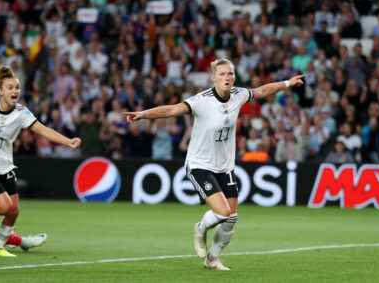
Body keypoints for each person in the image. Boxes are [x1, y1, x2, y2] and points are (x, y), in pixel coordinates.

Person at [124, 58, 303, 271]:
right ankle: (200, 229)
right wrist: (143, 114)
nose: (227, 77)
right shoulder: (201, 100)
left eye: (230, 74)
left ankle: (212, 258)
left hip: (225, 166)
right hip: (200, 164)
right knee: (223, 212)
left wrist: (287, 84)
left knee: (231, 218)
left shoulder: (239, 94)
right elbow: (172, 110)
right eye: (222, 74)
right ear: (214, 78)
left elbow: (262, 91)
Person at [0, 66, 82, 257]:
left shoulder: (22, 113)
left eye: (17, 88)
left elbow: (43, 129)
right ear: (0, 91)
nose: (15, 91)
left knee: (13, 211)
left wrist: (67, 141)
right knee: (4, 207)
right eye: (10, 87)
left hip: (5, 166)